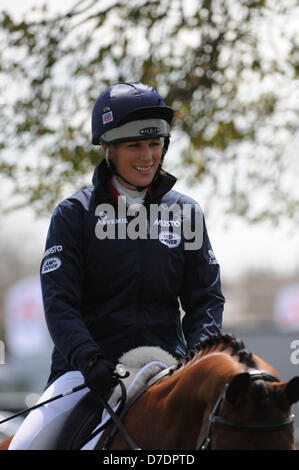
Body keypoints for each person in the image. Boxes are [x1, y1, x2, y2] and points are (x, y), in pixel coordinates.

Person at [9, 82, 225, 450]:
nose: (147, 156)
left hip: (165, 369)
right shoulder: (73, 215)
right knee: (26, 445)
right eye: (134, 145)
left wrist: (195, 358)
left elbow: (205, 299)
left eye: (155, 143)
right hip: (86, 374)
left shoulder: (185, 212)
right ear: (107, 149)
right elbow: (59, 304)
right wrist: (90, 360)